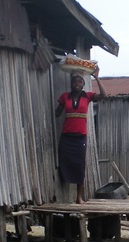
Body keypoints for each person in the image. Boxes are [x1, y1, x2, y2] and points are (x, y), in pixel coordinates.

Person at [55, 68, 106, 204]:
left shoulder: (87, 96)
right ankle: (64, 193)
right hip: (66, 136)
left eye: (79, 82)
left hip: (80, 137)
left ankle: (79, 197)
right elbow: (57, 113)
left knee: (80, 165)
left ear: (83, 84)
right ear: (71, 84)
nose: (77, 84)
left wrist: (96, 78)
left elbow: (103, 95)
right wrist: (60, 106)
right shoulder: (65, 97)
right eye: (74, 82)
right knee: (64, 162)